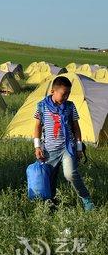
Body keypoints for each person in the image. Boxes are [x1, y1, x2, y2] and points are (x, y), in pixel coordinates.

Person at [34, 76, 94, 211]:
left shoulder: (70, 106)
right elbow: (37, 127)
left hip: (67, 148)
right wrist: (37, 146)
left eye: (68, 93)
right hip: (49, 149)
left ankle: (86, 200)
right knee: (49, 178)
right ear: (52, 91)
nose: (66, 96)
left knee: (70, 174)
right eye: (63, 93)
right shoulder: (41, 106)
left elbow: (76, 127)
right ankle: (50, 203)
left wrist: (79, 147)